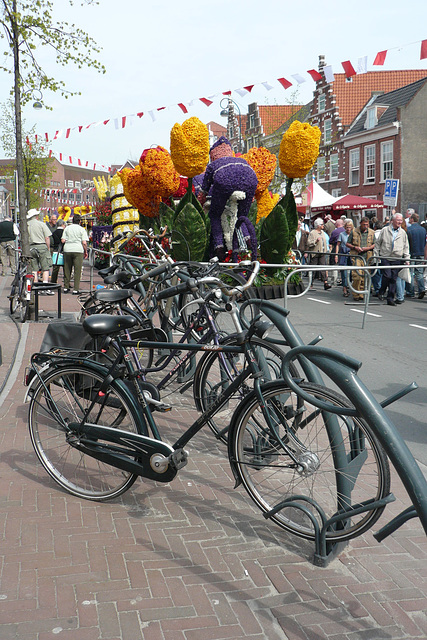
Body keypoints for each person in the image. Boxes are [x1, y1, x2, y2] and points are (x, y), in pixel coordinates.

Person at [374, 213, 410, 306]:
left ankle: (390, 298)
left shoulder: (402, 233)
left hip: (397, 257)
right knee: (387, 275)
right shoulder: (385, 230)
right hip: (386, 256)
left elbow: (406, 246)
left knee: (394, 278)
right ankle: (381, 291)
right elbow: (378, 243)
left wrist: (407, 259)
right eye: (398, 220)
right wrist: (376, 255)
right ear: (393, 221)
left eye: (401, 220)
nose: (399, 222)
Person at [346, 217, 375, 301]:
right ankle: (356, 294)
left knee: (365, 276)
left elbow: (375, 244)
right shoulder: (354, 231)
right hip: (357, 256)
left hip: (368, 256)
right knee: (357, 276)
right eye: (364, 224)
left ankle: (362, 293)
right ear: (360, 223)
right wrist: (355, 247)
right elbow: (347, 243)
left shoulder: (372, 232)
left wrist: (368, 248)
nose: (365, 226)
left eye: (367, 224)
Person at [27, 208, 54, 294]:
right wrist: (48, 248)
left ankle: (35, 287)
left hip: (31, 247)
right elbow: (47, 237)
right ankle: (45, 287)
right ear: (36, 216)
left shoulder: (26, 225)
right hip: (41, 246)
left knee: (34, 268)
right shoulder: (41, 224)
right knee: (45, 268)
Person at [61, 214, 88, 294]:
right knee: (77, 270)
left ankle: (66, 287)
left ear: (72, 221)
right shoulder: (82, 229)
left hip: (67, 249)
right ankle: (76, 289)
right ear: (80, 221)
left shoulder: (67, 228)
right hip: (78, 250)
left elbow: (63, 240)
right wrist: (85, 251)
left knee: (67, 269)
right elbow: (84, 242)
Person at [406, 212, 427, 299]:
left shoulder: (409, 229)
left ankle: (410, 292)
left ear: (412, 219)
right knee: (419, 273)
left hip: (412, 253)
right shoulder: (423, 230)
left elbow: (407, 243)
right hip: (421, 252)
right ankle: (421, 289)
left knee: (410, 273)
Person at [307, 218, 331, 289]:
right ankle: (310, 284)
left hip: (322, 252)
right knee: (313, 269)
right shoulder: (312, 233)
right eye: (322, 224)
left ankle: (325, 283)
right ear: (318, 225)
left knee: (323, 267)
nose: (323, 225)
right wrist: (315, 241)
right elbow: (309, 243)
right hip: (315, 253)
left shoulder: (323, 232)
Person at [335, 220, 353, 297]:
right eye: (347, 227)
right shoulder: (342, 234)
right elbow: (338, 245)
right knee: (344, 272)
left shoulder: (353, 234)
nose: (348, 229)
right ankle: (345, 288)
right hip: (343, 253)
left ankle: (349, 284)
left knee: (352, 272)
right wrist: (336, 255)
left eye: (349, 227)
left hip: (351, 254)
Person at [328, 219, 345, 285]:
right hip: (344, 249)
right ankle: (342, 279)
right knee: (343, 264)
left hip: (336, 247)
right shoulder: (345, 231)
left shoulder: (335, 232)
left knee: (334, 264)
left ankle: (334, 280)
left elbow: (330, 241)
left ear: (337, 224)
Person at [50, 219, 66, 285]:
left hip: (56, 250)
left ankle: (53, 281)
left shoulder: (54, 232)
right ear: (62, 225)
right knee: (66, 268)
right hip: (63, 251)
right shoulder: (64, 232)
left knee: (55, 268)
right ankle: (66, 282)